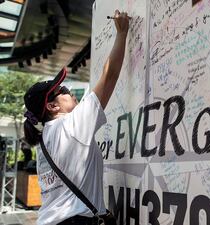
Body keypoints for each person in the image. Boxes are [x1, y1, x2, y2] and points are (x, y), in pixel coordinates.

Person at [22, 10, 129, 225]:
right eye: (61, 90)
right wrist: (122, 33)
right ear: (52, 106)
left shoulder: (45, 141)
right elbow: (109, 76)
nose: (68, 90)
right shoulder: (72, 125)